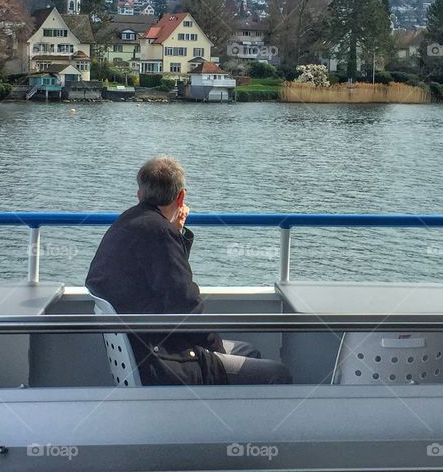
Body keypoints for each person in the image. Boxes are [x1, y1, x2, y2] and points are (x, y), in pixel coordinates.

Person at [86, 156, 292, 386]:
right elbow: (186, 306)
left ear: (139, 195)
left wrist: (176, 233)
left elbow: (167, 281)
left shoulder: (126, 224)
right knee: (277, 374)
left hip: (143, 351)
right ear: (181, 196)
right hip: (165, 361)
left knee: (249, 351)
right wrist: (216, 349)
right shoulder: (159, 234)